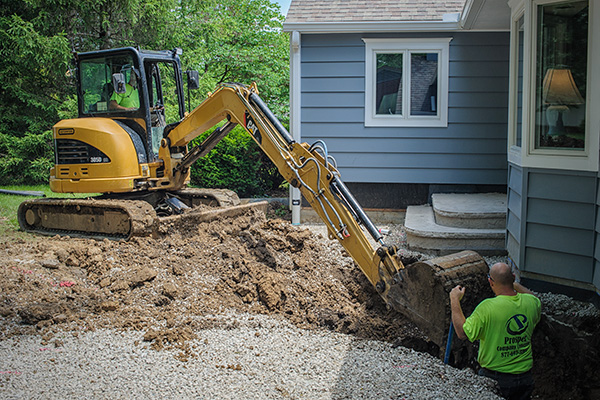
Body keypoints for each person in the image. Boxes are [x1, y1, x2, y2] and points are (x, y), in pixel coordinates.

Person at [449, 262, 541, 400]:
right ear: (513, 277)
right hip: (525, 379)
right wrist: (513, 284)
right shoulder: (532, 303)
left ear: (490, 282)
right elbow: (534, 297)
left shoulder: (487, 308)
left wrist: (454, 299)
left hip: (494, 379)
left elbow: (462, 333)